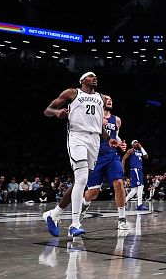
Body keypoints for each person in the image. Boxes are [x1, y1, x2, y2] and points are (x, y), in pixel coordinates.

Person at [42, 72, 117, 237]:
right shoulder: (72, 92)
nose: (94, 77)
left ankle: (53, 215)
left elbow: (98, 123)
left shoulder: (101, 97)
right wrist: (56, 112)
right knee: (82, 179)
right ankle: (74, 224)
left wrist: (109, 138)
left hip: (95, 140)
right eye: (90, 76)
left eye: (96, 76)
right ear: (82, 80)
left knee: (80, 182)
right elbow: (47, 110)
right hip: (77, 137)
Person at [82, 95, 131, 230]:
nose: (110, 101)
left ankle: (121, 218)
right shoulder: (92, 116)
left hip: (111, 156)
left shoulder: (117, 120)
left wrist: (120, 144)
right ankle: (84, 203)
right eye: (107, 99)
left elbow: (115, 135)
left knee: (119, 183)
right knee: (93, 192)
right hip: (95, 157)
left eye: (111, 99)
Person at [123, 140, 149, 210]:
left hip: (139, 170)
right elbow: (124, 159)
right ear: (132, 144)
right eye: (135, 142)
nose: (136, 143)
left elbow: (146, 157)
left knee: (135, 189)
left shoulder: (140, 151)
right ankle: (139, 205)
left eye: (137, 142)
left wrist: (141, 147)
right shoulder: (131, 151)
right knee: (141, 186)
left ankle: (123, 202)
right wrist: (122, 168)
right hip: (135, 170)